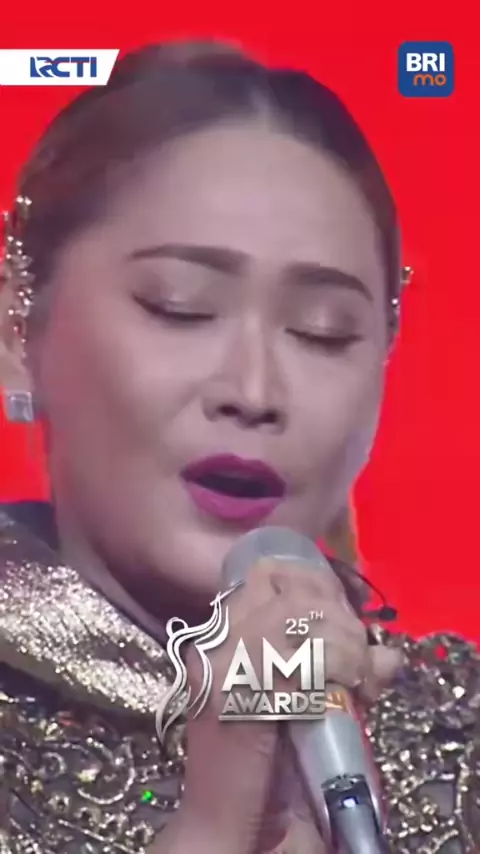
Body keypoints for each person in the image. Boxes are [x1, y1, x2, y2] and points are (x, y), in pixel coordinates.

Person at [0, 40, 477, 854]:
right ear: (18, 328)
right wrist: (219, 824)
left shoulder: (458, 732)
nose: (253, 390)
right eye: (179, 306)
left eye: (323, 333)